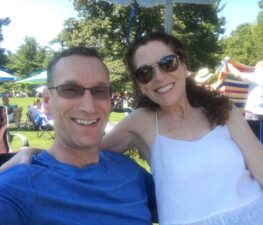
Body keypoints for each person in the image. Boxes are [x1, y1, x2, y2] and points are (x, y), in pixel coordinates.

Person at [1, 32, 263, 224]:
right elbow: (82, 146)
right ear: (139, 84)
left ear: (183, 64)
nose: (158, 76)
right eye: (145, 72)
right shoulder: (143, 123)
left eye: (167, 63)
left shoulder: (222, 110)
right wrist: (28, 156)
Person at [0, 47, 156, 225]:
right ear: (47, 100)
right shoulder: (18, 187)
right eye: (71, 90)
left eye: (99, 91)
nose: (88, 107)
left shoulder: (130, 171)